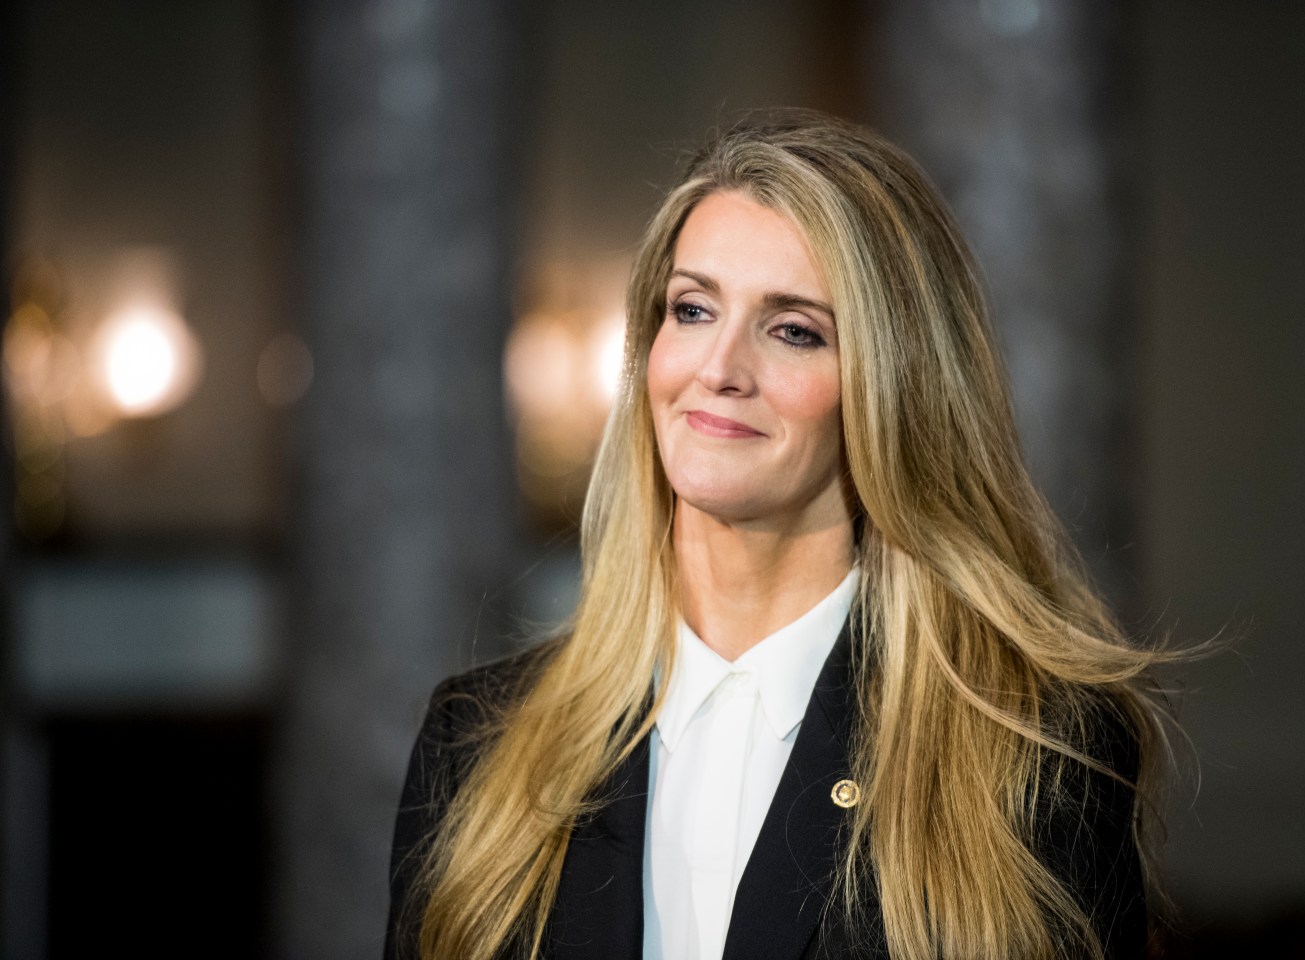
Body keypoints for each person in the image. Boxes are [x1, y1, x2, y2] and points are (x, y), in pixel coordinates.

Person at [385, 110, 1171, 960]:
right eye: (691, 310)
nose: (718, 369)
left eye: (793, 329)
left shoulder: (1036, 754)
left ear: (894, 387)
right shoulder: (476, 742)